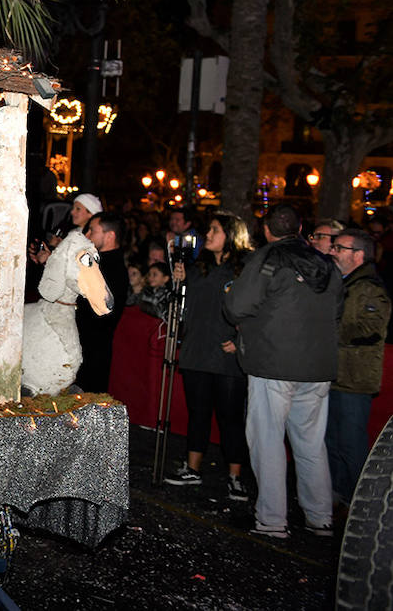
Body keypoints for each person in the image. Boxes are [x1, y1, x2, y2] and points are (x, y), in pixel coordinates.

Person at [224, 204, 342, 538]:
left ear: (266, 229)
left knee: (268, 441)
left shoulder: (267, 258)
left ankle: (272, 520)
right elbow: (336, 310)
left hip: (274, 363)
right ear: (302, 228)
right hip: (317, 366)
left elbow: (237, 307)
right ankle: (320, 516)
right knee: (310, 442)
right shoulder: (326, 264)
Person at [165, 212, 254, 500]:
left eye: (215, 230)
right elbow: (182, 307)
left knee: (230, 417)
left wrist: (242, 340)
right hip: (196, 351)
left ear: (231, 235)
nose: (209, 236)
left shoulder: (245, 269)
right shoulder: (198, 267)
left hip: (226, 356)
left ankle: (236, 476)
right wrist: (179, 282)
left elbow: (259, 309)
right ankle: (193, 468)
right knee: (198, 413)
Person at [325, 228, 391, 508]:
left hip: (354, 379)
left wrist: (328, 329)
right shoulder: (342, 282)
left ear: (359, 255)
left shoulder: (370, 288)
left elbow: (371, 328)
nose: (332, 252)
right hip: (335, 375)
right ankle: (337, 492)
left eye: (339, 248)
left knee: (351, 443)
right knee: (331, 441)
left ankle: (360, 501)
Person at [76, 210, 129, 392]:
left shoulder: (111, 270)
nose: (87, 235)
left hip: (92, 353)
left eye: (92, 231)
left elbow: (100, 313)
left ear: (110, 236)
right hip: (81, 348)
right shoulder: (95, 262)